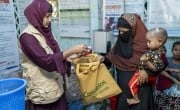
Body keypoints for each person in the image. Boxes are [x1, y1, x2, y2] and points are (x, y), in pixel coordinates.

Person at [18, 0, 89, 110]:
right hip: (42, 94)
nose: (49, 20)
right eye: (47, 16)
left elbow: (54, 55)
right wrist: (71, 50)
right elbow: (46, 61)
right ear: (37, 15)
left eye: (50, 16)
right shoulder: (27, 37)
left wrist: (68, 58)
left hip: (56, 87)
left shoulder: (46, 33)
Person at [103, 13, 155, 110]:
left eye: (124, 32)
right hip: (123, 93)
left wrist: (146, 71)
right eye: (119, 31)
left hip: (140, 94)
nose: (121, 35)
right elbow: (110, 61)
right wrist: (103, 59)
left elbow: (159, 65)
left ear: (134, 30)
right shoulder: (120, 43)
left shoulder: (147, 45)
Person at [127, 27, 168, 105]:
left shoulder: (157, 54)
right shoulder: (154, 51)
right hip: (145, 73)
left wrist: (146, 61)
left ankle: (135, 99)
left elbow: (156, 68)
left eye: (149, 41)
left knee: (131, 85)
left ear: (159, 42)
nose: (147, 44)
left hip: (146, 74)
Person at [155, 41, 180, 110]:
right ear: (172, 50)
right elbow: (160, 71)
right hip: (165, 88)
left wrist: (178, 72)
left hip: (177, 90)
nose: (178, 52)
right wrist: (173, 78)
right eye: (175, 50)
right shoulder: (167, 60)